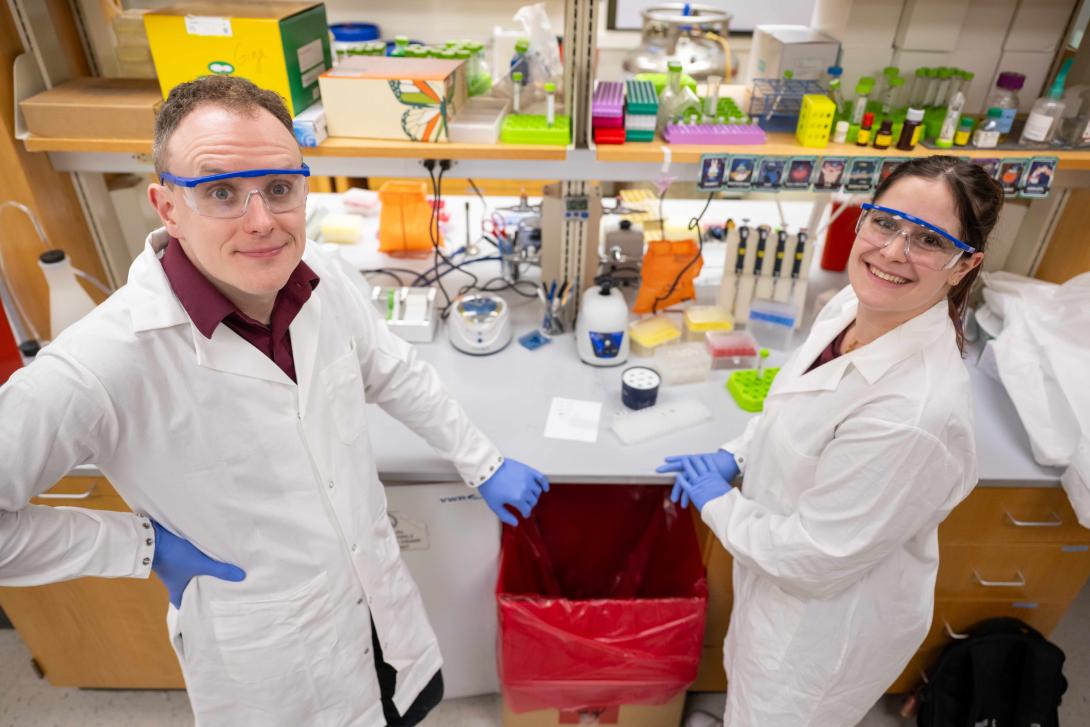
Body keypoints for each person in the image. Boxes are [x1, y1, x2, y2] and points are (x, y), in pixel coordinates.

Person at [0, 75, 548, 726]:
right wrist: (140, 546)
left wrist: (481, 461)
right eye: (222, 192)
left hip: (380, 611)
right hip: (271, 666)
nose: (262, 221)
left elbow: (393, 370)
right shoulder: (102, 360)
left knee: (402, 707)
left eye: (280, 188)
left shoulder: (322, 276)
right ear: (167, 206)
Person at [659, 156, 999, 725]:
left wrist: (717, 501)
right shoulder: (854, 304)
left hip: (818, 633)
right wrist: (737, 453)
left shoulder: (911, 413)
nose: (893, 252)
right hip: (776, 589)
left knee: (772, 711)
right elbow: (798, 402)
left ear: (965, 265)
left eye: (929, 239)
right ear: (862, 220)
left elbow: (814, 559)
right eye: (886, 223)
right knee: (747, 687)